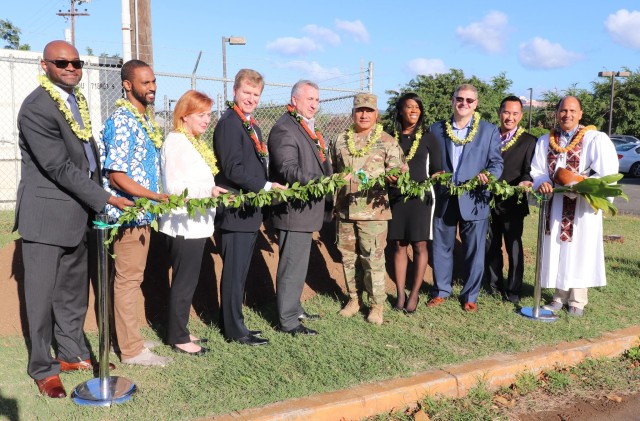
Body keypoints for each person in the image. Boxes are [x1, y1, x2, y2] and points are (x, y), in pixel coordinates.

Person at [14, 40, 132, 398]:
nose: (71, 68)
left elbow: (85, 158)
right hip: (47, 216)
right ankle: (43, 368)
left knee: (72, 293)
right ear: (45, 64)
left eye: (77, 62)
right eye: (62, 62)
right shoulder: (37, 108)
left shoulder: (74, 102)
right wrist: (106, 197)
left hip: (78, 215)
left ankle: (72, 352)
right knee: (40, 298)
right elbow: (57, 166)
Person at [100, 59, 171, 366]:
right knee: (127, 281)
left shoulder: (142, 119)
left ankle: (132, 339)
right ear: (128, 85)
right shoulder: (123, 120)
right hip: (129, 214)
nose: (152, 87)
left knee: (133, 278)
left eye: (153, 81)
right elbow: (116, 175)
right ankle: (130, 351)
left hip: (143, 215)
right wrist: (154, 196)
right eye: (145, 82)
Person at [214, 69, 285, 346]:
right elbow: (232, 168)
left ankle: (237, 323)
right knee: (233, 272)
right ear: (234, 91)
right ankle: (233, 330)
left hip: (249, 211)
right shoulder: (229, 123)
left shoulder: (250, 125)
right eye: (246, 92)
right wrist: (266, 186)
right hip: (235, 210)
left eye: (256, 94)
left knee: (240, 271)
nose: (251, 98)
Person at [531, 96, 619, 317]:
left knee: (580, 249)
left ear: (580, 114)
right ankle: (559, 296)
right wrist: (542, 182)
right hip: (557, 205)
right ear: (557, 113)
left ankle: (578, 300)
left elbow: (607, 173)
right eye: (562, 110)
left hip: (582, 208)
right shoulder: (546, 140)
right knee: (558, 249)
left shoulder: (594, 139)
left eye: (572, 110)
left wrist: (581, 184)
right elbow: (538, 169)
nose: (566, 115)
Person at [159, 90, 227, 355]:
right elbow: (175, 187)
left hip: (195, 224)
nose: (207, 119)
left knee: (187, 280)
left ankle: (181, 328)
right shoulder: (176, 142)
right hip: (183, 225)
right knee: (184, 282)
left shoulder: (192, 141)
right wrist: (208, 191)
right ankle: (178, 337)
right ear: (184, 116)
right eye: (201, 114)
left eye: (209, 114)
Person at [427, 83, 503, 312]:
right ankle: (441, 290)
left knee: (474, 250)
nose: (464, 104)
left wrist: (488, 176)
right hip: (445, 197)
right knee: (441, 247)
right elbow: (429, 161)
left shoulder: (488, 130)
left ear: (476, 104)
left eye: (469, 100)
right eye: (460, 99)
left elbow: (497, 163)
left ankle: (470, 295)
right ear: (452, 101)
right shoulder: (436, 129)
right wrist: (433, 174)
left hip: (475, 198)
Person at [332, 93, 405, 325]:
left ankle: (377, 305)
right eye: (359, 110)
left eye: (369, 110)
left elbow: (397, 171)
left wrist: (393, 175)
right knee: (348, 258)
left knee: (373, 259)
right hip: (345, 210)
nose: (364, 114)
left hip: (373, 212)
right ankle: (354, 299)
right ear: (353, 113)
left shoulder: (387, 141)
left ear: (376, 113)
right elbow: (331, 169)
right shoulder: (340, 140)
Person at [268, 80, 332, 336]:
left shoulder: (304, 127)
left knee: (298, 265)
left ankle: (294, 309)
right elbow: (287, 169)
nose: (314, 104)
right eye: (309, 99)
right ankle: (288, 321)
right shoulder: (285, 128)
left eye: (317, 100)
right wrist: (322, 182)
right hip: (294, 211)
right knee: (292, 267)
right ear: (295, 100)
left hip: (306, 212)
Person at [387, 93, 439, 314]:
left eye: (417, 107)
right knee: (399, 244)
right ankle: (400, 293)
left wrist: (432, 179)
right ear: (400, 110)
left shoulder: (428, 138)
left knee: (419, 245)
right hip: (397, 197)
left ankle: (415, 293)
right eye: (409, 106)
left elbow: (438, 169)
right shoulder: (388, 138)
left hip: (421, 198)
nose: (414, 110)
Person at [484, 96, 537, 304]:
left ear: (521, 116)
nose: (510, 117)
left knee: (513, 246)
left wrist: (526, 181)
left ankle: (514, 289)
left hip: (513, 202)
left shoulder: (529, 141)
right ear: (499, 113)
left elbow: (528, 171)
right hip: (488, 200)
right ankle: (494, 286)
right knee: (491, 245)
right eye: (507, 112)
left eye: (515, 114)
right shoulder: (490, 136)